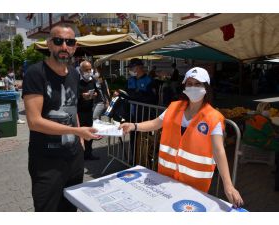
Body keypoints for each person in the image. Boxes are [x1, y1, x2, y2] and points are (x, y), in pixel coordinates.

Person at [120, 67, 244, 208]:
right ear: (184, 86)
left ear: (206, 88)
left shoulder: (214, 117)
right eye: (189, 83)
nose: (193, 87)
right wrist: (134, 126)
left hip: (195, 184)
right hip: (166, 178)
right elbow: (155, 123)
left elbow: (218, 150)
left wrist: (228, 186)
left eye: (198, 84)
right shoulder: (174, 107)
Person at [22, 24, 99, 211]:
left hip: (74, 158)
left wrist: (79, 138)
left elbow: (73, 110)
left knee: (71, 209)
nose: (64, 46)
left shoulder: (74, 73)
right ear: (49, 44)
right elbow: (34, 122)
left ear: (75, 46)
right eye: (58, 41)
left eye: (69, 42)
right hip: (47, 161)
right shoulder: (35, 73)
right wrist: (77, 131)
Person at [242, 102, 279, 191]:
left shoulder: (254, 117)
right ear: (262, 110)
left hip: (248, 139)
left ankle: (277, 166)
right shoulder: (263, 120)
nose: (268, 111)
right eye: (267, 109)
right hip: (258, 141)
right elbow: (271, 134)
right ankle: (277, 166)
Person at [77, 60, 100, 160]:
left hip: (89, 110)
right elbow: (72, 96)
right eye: (86, 70)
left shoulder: (92, 80)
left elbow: (97, 91)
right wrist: (82, 96)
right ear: (81, 70)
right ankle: (79, 155)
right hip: (78, 112)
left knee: (89, 133)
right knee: (79, 134)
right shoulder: (77, 81)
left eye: (90, 69)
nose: (89, 71)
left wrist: (95, 95)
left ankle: (88, 153)